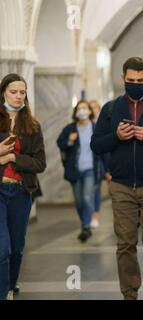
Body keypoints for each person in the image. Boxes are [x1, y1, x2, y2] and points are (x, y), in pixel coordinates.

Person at [91, 57, 143, 300]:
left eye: (140, 81)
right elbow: (96, 145)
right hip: (121, 184)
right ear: (123, 79)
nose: (135, 84)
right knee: (125, 241)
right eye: (130, 80)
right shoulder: (111, 108)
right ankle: (129, 291)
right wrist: (116, 136)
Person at [0, 73, 46, 300]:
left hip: (20, 192)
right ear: (3, 94)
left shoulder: (32, 126)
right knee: (2, 248)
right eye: (13, 92)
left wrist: (12, 159)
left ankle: (10, 283)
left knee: (17, 247)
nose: (18, 96)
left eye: (22, 92)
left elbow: (40, 163)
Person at [57, 100, 101, 242]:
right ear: (76, 112)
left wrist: (106, 169)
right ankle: (85, 223)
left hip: (90, 169)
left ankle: (86, 227)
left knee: (87, 197)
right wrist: (69, 141)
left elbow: (103, 150)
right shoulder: (70, 128)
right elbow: (60, 142)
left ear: (89, 111)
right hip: (75, 169)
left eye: (85, 108)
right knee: (79, 201)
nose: (82, 111)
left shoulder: (96, 128)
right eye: (79, 108)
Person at [89, 100, 105, 229]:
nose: (93, 110)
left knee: (95, 189)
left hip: (98, 162)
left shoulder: (102, 125)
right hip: (86, 162)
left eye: (95, 107)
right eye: (91, 107)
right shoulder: (84, 124)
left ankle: (95, 214)